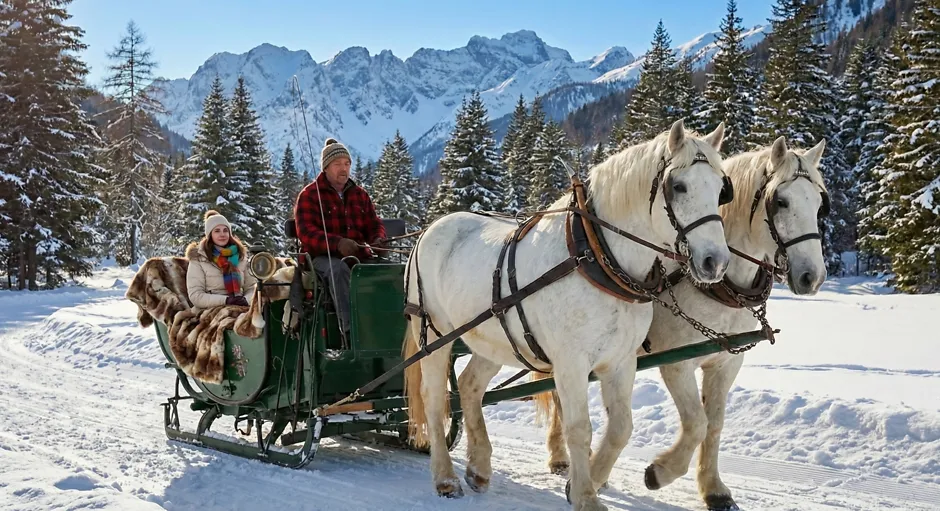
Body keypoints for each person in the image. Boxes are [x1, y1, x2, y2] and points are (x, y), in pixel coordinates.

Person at [294, 137, 386, 339]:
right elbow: (306, 232)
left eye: (347, 164)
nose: (343, 169)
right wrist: (337, 243)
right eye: (337, 164)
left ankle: (389, 325)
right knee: (339, 270)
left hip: (358, 255)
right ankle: (351, 331)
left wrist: (378, 239)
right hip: (320, 258)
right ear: (326, 167)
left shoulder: (360, 195)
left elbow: (374, 224)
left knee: (387, 270)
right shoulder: (310, 195)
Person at [185, 210, 258, 309]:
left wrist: (246, 300)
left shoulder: (240, 256)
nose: (222, 234)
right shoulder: (198, 258)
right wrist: (226, 300)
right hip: (210, 309)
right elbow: (196, 295)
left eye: (225, 230)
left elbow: (252, 288)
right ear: (210, 235)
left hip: (241, 306)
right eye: (217, 231)